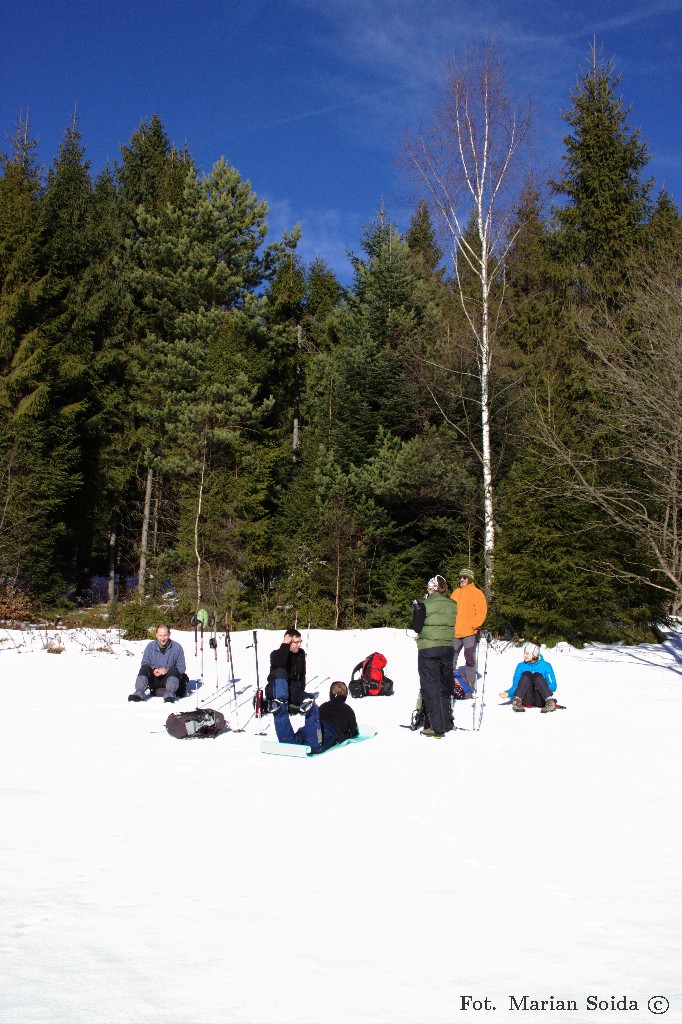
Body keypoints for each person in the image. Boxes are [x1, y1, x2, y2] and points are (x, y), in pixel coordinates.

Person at [412, 575, 458, 738]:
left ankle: (437, 726)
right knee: (445, 684)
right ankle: (446, 721)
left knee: (430, 685)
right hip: (447, 647)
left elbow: (417, 627)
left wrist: (417, 610)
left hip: (428, 648)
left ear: (432, 588)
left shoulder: (424, 604)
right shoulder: (453, 605)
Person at [272, 680, 359, 754]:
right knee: (316, 747)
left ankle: (280, 712)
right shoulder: (348, 710)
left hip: (310, 728)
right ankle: (311, 711)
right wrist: (348, 735)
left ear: (331, 694)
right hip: (328, 732)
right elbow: (354, 730)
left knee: (292, 741)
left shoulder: (325, 705)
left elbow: (318, 721)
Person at [450, 568, 488, 691]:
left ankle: (470, 685)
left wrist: (473, 625)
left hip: (470, 633)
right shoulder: (455, 592)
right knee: (451, 657)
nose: (462, 579)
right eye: (460, 577)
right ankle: (450, 682)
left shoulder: (477, 593)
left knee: (469, 658)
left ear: (470, 579)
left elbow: (482, 612)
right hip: (455, 632)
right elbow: (450, 610)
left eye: (464, 577)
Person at [128, 625, 187, 703]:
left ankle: (169, 695)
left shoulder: (177, 647)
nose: (162, 638)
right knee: (145, 667)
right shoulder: (150, 646)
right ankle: (139, 693)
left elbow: (182, 667)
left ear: (169, 634)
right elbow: (144, 663)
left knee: (174, 669)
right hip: (154, 679)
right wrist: (154, 669)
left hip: (170, 679)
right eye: (160, 635)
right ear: (156, 635)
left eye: (165, 635)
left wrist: (167, 670)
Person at [499, 642, 558, 712]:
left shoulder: (546, 666)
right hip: (526, 698)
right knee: (527, 674)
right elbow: (516, 685)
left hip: (540, 698)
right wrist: (508, 693)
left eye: (527, 653)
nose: (524, 655)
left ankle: (550, 702)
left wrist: (542, 686)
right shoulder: (521, 666)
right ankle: (517, 702)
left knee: (537, 675)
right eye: (524, 653)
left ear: (534, 655)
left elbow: (553, 686)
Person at [265, 627, 309, 712]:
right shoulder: (275, 654)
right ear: (289, 642)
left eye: (300, 641)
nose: (299, 645)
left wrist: (301, 690)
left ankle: (289, 705)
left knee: (307, 698)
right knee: (281, 671)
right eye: (296, 642)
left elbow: (303, 673)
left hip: (293, 688)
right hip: (276, 688)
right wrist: (285, 645)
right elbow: (280, 663)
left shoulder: (301, 653)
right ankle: (280, 703)